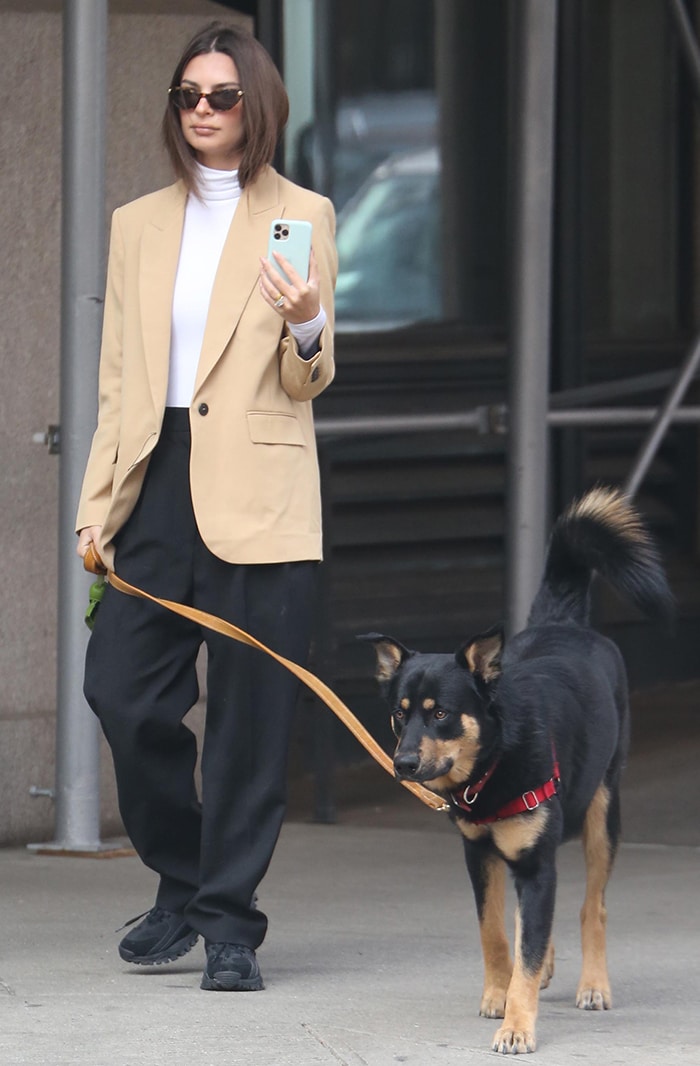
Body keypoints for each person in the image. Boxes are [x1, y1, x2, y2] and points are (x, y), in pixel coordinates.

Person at [75, 21, 336, 992]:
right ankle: (184, 879)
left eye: (221, 96)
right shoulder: (137, 223)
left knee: (249, 722)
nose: (202, 111)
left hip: (260, 491)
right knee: (122, 692)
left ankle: (230, 922)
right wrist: (96, 505)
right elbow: (118, 383)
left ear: (255, 105)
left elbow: (310, 376)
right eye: (188, 95)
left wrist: (306, 318)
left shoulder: (297, 213)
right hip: (156, 484)